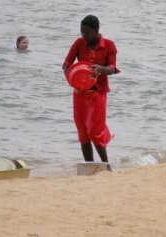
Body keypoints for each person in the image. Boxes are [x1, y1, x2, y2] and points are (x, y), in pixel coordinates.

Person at [62, 15, 120, 171]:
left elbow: (112, 69)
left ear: (96, 30)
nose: (84, 36)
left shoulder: (108, 45)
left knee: (95, 131)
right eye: (82, 32)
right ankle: (90, 167)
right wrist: (71, 79)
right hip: (80, 92)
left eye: (87, 32)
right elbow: (67, 64)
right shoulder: (79, 43)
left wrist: (99, 69)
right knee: (83, 131)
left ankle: (106, 167)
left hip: (98, 94)